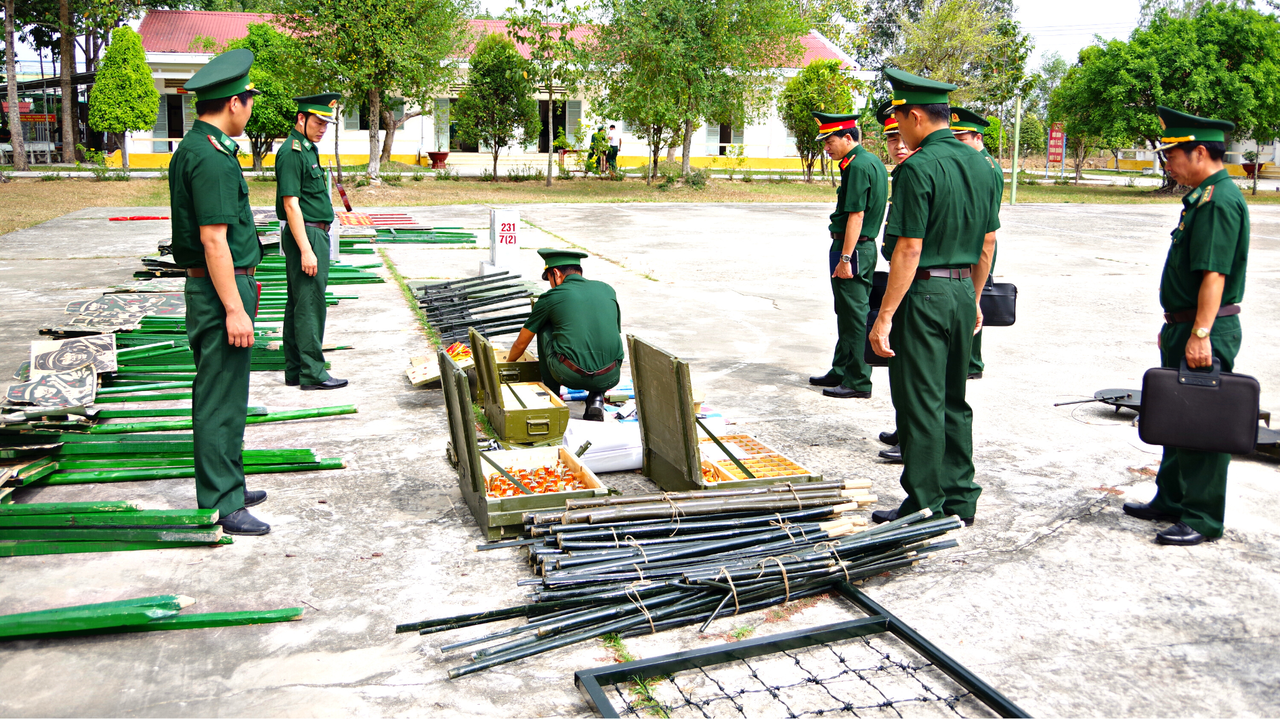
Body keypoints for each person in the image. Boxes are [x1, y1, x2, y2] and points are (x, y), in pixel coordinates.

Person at [867, 68, 999, 527]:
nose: (898, 131)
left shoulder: (918, 167)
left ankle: (924, 504)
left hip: (923, 293)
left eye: (900, 119)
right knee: (953, 399)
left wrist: (885, 316)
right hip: (963, 289)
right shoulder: (981, 165)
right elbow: (987, 243)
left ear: (917, 115)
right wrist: (975, 297)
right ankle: (961, 498)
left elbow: (908, 247)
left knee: (921, 401)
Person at [1122, 107, 1249, 546]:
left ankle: (1202, 516)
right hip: (1186, 325)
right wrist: (1177, 324)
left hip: (1205, 330)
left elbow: (1214, 275)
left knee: (1201, 425)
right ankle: (1171, 498)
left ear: (1199, 152)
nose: (1168, 164)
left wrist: (1199, 334)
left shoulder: (1219, 200)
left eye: (1172, 155)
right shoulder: (1201, 197)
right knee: (1175, 418)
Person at [169, 49, 268, 536]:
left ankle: (229, 479)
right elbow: (213, 239)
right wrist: (234, 306)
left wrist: (248, 275)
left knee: (229, 394)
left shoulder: (200, 147)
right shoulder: (210, 158)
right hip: (216, 294)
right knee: (218, 396)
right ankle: (222, 500)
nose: (249, 109)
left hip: (226, 285)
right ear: (234, 102)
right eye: (248, 100)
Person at [807, 111, 888, 399]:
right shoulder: (867, 161)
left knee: (855, 315)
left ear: (848, 137)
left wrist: (845, 258)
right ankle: (841, 368)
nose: (826, 148)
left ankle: (857, 380)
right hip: (857, 247)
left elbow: (856, 215)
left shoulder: (857, 166)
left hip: (852, 248)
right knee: (846, 311)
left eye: (830, 142)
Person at [276, 92, 347, 391]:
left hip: (311, 232)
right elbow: (291, 204)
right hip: (306, 234)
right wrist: (306, 249)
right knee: (310, 306)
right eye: (318, 122)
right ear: (301, 118)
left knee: (297, 305)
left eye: (326, 124)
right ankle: (313, 373)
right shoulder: (293, 152)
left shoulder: (306, 149)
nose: (322, 128)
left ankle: (295, 370)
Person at [506, 249, 624, 421]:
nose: (551, 285)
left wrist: (507, 365)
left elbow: (520, 344)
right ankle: (596, 397)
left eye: (550, 280)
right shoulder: (607, 290)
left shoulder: (551, 297)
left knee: (544, 325)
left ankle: (551, 396)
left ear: (555, 273)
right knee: (599, 333)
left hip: (570, 375)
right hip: (610, 375)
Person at [949, 107, 1003, 380]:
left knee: (972, 299)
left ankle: (971, 362)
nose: (957, 145)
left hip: (978, 242)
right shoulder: (976, 163)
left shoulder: (986, 167)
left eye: (962, 139)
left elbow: (987, 219)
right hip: (969, 240)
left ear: (978, 137)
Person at [875, 99, 913, 464]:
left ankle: (913, 438)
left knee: (912, 370)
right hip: (907, 276)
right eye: (891, 139)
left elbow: (910, 246)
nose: (898, 145)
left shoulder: (915, 172)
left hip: (917, 281)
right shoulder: (901, 173)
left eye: (903, 137)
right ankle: (905, 427)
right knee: (901, 365)